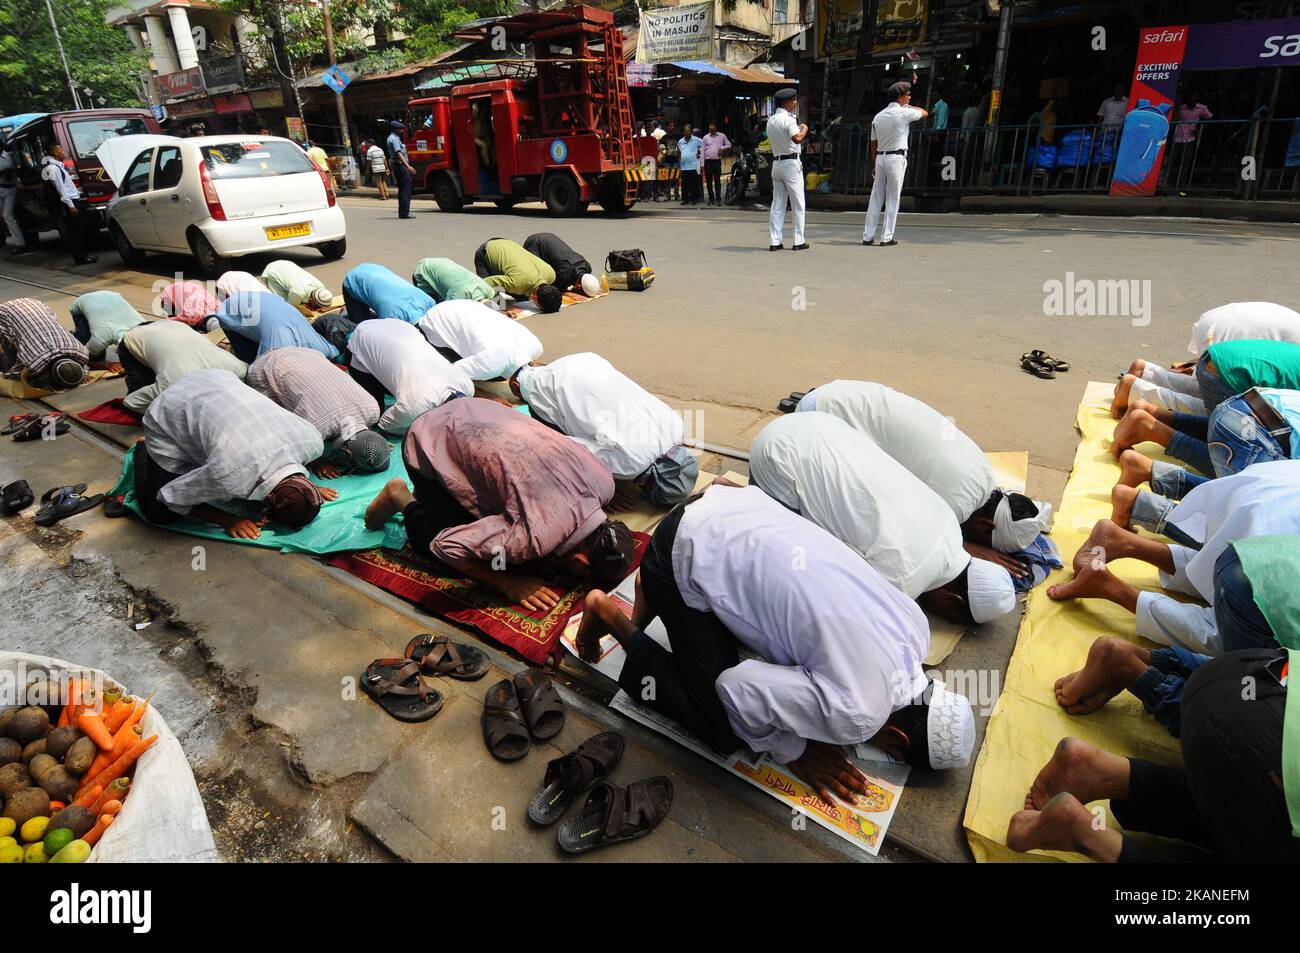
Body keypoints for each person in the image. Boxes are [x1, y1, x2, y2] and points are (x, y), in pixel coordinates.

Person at [572, 484, 977, 794]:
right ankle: (611, 615)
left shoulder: (917, 629)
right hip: (684, 547)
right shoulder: (860, 714)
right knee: (722, 730)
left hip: (730, 505)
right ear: (896, 737)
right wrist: (795, 750)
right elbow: (734, 689)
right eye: (890, 753)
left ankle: (655, 589)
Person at [1009, 649, 1300, 862]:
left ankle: (1103, 773)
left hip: (1245, 673)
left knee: (1256, 812)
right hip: (1257, 749)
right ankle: (1088, 835)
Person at [363, 397, 636, 611]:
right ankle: (399, 496)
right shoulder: (534, 538)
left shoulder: (605, 482)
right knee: (436, 544)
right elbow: (447, 546)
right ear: (580, 562)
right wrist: (507, 583)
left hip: (475, 408)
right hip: (428, 435)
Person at [749, 413, 1016, 626]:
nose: (941, 619)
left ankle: (744, 499)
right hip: (776, 457)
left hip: (821, 424)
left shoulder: (950, 526)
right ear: (953, 601)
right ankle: (743, 504)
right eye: (950, 618)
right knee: (789, 562)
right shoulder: (903, 582)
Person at [1049, 535, 1299, 738]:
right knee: (1249, 710)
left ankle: (1142, 660)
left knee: (1253, 675)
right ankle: (1134, 671)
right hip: (1259, 593)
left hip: (1251, 556)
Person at [1047, 460, 1300, 656]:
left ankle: (1123, 541)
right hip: (1262, 551)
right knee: (1228, 640)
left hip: (1261, 493)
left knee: (1225, 568)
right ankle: (1111, 588)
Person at [798, 380, 1050, 567]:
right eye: (985, 542)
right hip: (820, 414)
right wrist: (965, 548)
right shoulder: (955, 505)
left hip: (842, 390)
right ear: (986, 525)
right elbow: (907, 541)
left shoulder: (985, 475)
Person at [133, 368, 337, 539]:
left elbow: (287, 474)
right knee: (158, 513)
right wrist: (229, 520)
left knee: (216, 458)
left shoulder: (313, 441)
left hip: (217, 377)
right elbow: (170, 497)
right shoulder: (229, 477)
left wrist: (305, 490)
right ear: (265, 508)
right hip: (171, 406)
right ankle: (145, 449)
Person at [511, 352, 698, 508]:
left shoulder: (677, 427)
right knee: (552, 434)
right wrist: (601, 494)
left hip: (589, 362)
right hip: (551, 387)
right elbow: (567, 450)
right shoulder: (631, 467)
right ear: (651, 486)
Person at [1111, 341, 1300, 471]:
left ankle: (1150, 408)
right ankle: (1152, 430)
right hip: (1240, 394)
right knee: (1251, 478)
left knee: (1218, 416)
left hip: (1222, 362)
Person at [1113, 302, 1300, 416]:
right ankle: (1137, 390)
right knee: (1223, 416)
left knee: (1207, 385)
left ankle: (1146, 372)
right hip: (1232, 339)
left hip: (1222, 329)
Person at [245, 347, 390, 478]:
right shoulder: (314, 431)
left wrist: (374, 446)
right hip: (264, 368)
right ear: (348, 452)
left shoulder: (373, 408)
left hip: (306, 353)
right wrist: (315, 461)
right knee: (273, 418)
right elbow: (290, 445)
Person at [345, 318, 472, 434]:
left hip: (398, 326)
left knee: (398, 384)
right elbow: (384, 424)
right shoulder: (414, 408)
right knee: (374, 411)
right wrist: (417, 424)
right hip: (363, 339)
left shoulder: (467, 385)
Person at [119, 317, 248, 413]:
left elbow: (131, 402)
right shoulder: (172, 386)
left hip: (169, 327)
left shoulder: (238, 368)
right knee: (139, 386)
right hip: (136, 337)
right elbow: (131, 401)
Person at [863, 82, 927, 248]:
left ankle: (868, 235)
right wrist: (908, 106)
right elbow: (925, 113)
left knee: (876, 197)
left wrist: (875, 163)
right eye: (908, 95)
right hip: (896, 158)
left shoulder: (878, 116)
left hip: (881, 158)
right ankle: (886, 237)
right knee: (893, 197)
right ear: (900, 98)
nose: (909, 97)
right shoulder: (903, 113)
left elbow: (873, 144)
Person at [416, 298, 542, 381]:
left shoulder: (536, 347)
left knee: (486, 371)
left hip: (466, 305)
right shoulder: (490, 366)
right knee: (454, 374)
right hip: (436, 319)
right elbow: (447, 374)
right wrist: (485, 395)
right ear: (515, 386)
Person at [215, 289, 339, 365]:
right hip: (231, 309)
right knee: (250, 362)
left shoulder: (321, 347)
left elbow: (333, 355)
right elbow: (260, 371)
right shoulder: (275, 350)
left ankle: (232, 350)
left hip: (267, 302)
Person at [0, 298, 88, 390]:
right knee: (18, 375)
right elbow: (17, 372)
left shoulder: (81, 351)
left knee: (24, 345)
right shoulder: (35, 361)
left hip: (35, 305)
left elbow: (84, 364)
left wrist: (84, 373)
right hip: (5, 314)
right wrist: (7, 377)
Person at [766, 89, 808, 252]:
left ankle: (775, 241)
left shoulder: (771, 121)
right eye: (793, 100)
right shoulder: (788, 119)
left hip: (777, 163)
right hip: (791, 163)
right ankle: (799, 240)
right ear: (786, 103)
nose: (795, 103)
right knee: (798, 203)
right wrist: (803, 128)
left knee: (778, 203)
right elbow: (797, 138)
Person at [41, 143, 96, 265]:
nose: (63, 151)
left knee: (80, 230)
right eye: (60, 149)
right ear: (55, 153)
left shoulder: (58, 167)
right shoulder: (54, 169)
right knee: (75, 231)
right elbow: (61, 189)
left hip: (74, 200)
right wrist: (71, 206)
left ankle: (84, 255)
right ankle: (80, 258)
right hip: (70, 203)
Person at [472, 238, 562, 313]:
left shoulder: (551, 274)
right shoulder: (517, 283)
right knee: (487, 295)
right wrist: (505, 308)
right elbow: (486, 283)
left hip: (508, 243)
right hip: (487, 250)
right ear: (535, 297)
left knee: (522, 296)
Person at [342, 263, 436, 324]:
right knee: (361, 326)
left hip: (374, 270)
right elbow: (376, 336)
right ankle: (346, 316)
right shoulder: (390, 316)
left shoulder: (429, 302)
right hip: (353, 281)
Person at [68, 290, 143, 367]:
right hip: (83, 303)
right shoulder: (100, 339)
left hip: (111, 296)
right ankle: (74, 341)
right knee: (95, 356)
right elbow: (83, 358)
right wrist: (106, 364)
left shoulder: (144, 328)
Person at [522, 232, 597, 294]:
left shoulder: (587, 267)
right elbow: (551, 289)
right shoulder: (565, 274)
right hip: (535, 244)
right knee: (536, 276)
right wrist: (567, 292)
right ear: (578, 286)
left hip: (547, 237)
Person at [411, 257, 501, 307]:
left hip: (443, 263)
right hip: (425, 271)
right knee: (431, 305)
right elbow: (446, 313)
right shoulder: (458, 296)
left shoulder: (489, 291)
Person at [1168, 92, 1212, 192]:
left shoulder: (1201, 108)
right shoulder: (1181, 108)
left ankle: (1182, 185)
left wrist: (1200, 127)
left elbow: (1210, 118)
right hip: (1178, 137)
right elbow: (1175, 118)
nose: (1191, 100)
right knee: (1171, 160)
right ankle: (1166, 181)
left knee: (1186, 162)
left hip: (1190, 138)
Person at [261, 260, 334, 311]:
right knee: (281, 304)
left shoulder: (320, 286)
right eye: (317, 307)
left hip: (286, 265)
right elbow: (289, 307)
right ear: (311, 300)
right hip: (274, 271)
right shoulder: (298, 293)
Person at [0, 140, 26, 256]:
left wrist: (12, 172)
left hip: (10, 189)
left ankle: (20, 243)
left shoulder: (10, 156)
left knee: (7, 215)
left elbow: (19, 169)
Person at [387, 120, 414, 219]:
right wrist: (408, 166)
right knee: (405, 189)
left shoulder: (393, 138)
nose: (402, 130)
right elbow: (398, 154)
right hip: (400, 165)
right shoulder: (394, 139)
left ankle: (403, 212)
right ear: (395, 129)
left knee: (403, 188)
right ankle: (404, 212)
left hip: (399, 165)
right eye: (400, 129)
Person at [700, 121, 731, 206]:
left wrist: (722, 148)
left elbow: (729, 144)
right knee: (709, 182)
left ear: (716, 127)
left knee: (717, 181)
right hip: (708, 162)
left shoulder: (722, 136)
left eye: (712, 125)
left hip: (717, 162)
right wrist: (702, 164)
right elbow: (702, 151)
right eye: (709, 125)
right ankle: (711, 199)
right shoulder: (705, 137)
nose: (710, 127)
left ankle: (718, 199)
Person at [677, 123, 702, 206]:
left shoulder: (696, 140)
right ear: (683, 132)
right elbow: (678, 153)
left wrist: (700, 151)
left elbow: (704, 146)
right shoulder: (680, 141)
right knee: (684, 185)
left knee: (694, 184)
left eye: (689, 131)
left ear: (691, 131)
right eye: (685, 131)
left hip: (694, 165)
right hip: (684, 166)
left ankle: (694, 199)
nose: (687, 132)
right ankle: (685, 199)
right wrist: (679, 164)